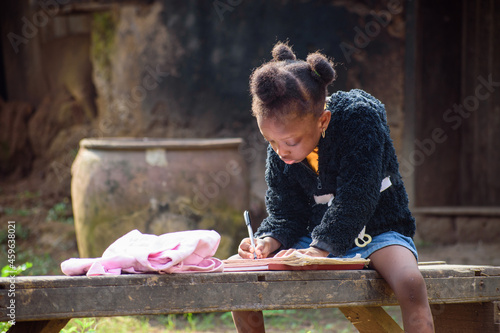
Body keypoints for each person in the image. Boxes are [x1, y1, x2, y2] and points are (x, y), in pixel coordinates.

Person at [231, 42, 435, 332]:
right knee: (240, 278)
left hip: (377, 232)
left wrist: (318, 250)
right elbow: (286, 212)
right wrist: (267, 241)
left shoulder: (359, 119)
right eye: (271, 142)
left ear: (322, 120)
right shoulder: (282, 149)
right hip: (314, 239)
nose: (280, 152)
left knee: (410, 283)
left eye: (289, 142)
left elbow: (358, 196)